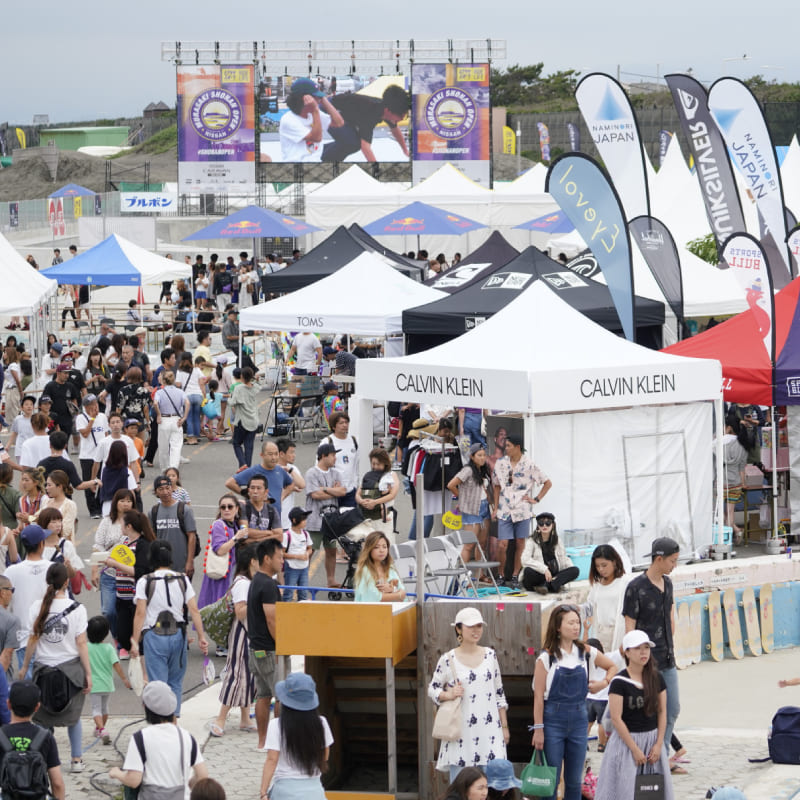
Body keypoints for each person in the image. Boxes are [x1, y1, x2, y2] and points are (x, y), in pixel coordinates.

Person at [532, 604, 616, 800]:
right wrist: (538, 729)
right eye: (571, 622)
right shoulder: (546, 658)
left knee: (574, 781)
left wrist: (603, 683)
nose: (576, 626)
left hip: (579, 719)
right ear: (558, 627)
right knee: (550, 781)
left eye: (577, 622)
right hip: (553, 721)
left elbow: (612, 666)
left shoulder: (586, 652)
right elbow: (538, 698)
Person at [22, 562, 92, 772]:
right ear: (67, 582)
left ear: (47, 582)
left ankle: (43, 760)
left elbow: (31, 641)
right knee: (74, 718)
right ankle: (76, 760)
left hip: (43, 670)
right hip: (71, 671)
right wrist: (88, 673)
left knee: (42, 719)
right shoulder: (78, 609)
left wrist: (25, 667)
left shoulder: (37, 607)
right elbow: (81, 643)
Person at [428, 607, 508, 781]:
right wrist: (449, 695)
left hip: (490, 734)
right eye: (471, 626)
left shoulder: (490, 655)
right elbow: (432, 689)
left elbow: (499, 693)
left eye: (479, 626)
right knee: (461, 788)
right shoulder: (448, 659)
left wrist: (505, 727)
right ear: (458, 628)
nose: (476, 630)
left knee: (491, 787)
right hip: (461, 734)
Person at [130, 540, 209, 716]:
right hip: (178, 636)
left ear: (152, 557)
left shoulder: (145, 581)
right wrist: (202, 637)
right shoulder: (182, 579)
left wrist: (135, 641)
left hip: (153, 636)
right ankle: (174, 719)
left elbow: (140, 613)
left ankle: (160, 721)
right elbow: (194, 610)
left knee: (158, 684)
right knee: (175, 682)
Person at [594, 630, 673, 800]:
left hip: (651, 742)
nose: (643, 652)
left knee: (652, 792)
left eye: (646, 647)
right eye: (637, 648)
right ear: (627, 652)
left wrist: (659, 744)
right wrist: (635, 749)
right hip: (626, 743)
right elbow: (616, 718)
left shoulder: (656, 678)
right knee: (624, 791)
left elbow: (662, 712)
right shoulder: (619, 682)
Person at [623, 536, 680, 761]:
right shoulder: (635, 587)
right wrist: (633, 659)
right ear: (659, 559)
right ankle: (645, 753)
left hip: (667, 657)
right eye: (672, 561)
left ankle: (661, 752)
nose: (674, 565)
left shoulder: (668, 584)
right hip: (645, 660)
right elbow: (630, 627)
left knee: (672, 708)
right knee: (647, 710)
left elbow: (669, 616)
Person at [109, 680, 207, 795]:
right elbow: (203, 776)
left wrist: (116, 773)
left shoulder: (140, 738)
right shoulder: (186, 737)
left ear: (145, 706)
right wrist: (188, 784)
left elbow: (133, 780)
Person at [259, 672, 334, 800]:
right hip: (315, 791)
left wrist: (263, 792)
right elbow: (325, 756)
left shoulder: (276, 725)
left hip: (284, 791)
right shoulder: (321, 723)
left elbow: (272, 760)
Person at [209, 545, 258, 738]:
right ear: (252, 562)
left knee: (249, 675)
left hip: (248, 633)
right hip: (241, 634)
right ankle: (220, 719)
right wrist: (257, 600)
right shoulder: (243, 584)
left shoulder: (248, 582)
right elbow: (240, 611)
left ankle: (245, 718)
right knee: (237, 675)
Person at [492, 434, 552, 588]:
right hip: (504, 509)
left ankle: (515, 575)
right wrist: (494, 507)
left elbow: (547, 482)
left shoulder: (529, 464)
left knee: (520, 543)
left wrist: (536, 499)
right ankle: (500, 574)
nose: (506, 449)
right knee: (502, 544)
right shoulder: (500, 463)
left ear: (517, 447)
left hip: (523, 510)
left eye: (508, 446)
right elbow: (496, 486)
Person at [247, 538, 285, 750]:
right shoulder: (269, 585)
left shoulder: (256, 581)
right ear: (267, 558)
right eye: (279, 557)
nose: (282, 561)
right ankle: (277, 742)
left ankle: (262, 742)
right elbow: (272, 619)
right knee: (279, 695)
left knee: (263, 695)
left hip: (255, 648)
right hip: (269, 650)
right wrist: (282, 645)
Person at [0, 680, 65, 800]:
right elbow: (57, 784)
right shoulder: (46, 737)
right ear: (37, 707)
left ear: (8, 704)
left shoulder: (1, 735)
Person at [91, 488, 136, 641]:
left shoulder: (136, 521)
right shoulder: (106, 521)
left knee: (129, 610)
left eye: (129, 501)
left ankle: (127, 640)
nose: (126, 504)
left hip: (129, 575)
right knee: (108, 611)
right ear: (115, 502)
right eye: (122, 500)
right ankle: (118, 637)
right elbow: (97, 545)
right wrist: (94, 570)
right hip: (109, 574)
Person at [323, 84, 410, 162]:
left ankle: (326, 152)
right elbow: (365, 148)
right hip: (327, 109)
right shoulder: (370, 113)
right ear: (388, 111)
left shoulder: (385, 107)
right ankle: (326, 157)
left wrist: (405, 150)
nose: (402, 119)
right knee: (352, 142)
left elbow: (395, 129)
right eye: (401, 116)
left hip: (342, 114)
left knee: (352, 140)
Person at [109, 509, 154, 659]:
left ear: (129, 526)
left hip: (135, 598)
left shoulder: (143, 545)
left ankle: (142, 667)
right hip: (122, 596)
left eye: (122, 524)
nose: (120, 527)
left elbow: (139, 571)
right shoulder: (124, 543)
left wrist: (116, 564)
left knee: (137, 635)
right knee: (123, 636)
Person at [304, 443, 346, 588]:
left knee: (331, 550)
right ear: (323, 456)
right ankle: (303, 580)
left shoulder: (337, 473)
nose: (335, 458)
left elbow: (342, 491)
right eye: (333, 455)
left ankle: (331, 580)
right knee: (310, 551)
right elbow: (315, 494)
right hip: (315, 519)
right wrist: (332, 490)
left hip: (332, 519)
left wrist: (325, 489)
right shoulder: (311, 473)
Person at [448, 444, 493, 578]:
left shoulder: (482, 470)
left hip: (484, 507)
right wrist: (463, 500)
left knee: (482, 544)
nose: (482, 458)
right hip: (472, 510)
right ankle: (462, 577)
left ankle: (479, 575)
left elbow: (483, 489)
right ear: (472, 457)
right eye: (479, 455)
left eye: (484, 455)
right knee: (469, 545)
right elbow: (451, 485)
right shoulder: (468, 470)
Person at [87, 614, 131, 744]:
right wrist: (124, 679)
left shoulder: (87, 648)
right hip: (107, 684)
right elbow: (116, 665)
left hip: (94, 685)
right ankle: (100, 729)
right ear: (106, 633)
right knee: (105, 709)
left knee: (96, 709)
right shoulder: (109, 648)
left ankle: (102, 729)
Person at [198, 494, 246, 611]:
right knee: (221, 607)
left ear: (236, 509)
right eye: (223, 507)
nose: (226, 510)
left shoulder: (234, 524)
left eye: (230, 507)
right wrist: (236, 538)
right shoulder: (219, 525)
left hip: (231, 571)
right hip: (222, 573)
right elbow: (220, 550)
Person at [278, 78, 346, 162]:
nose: (318, 99)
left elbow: (339, 123)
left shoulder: (311, 113)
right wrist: (315, 110)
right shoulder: (288, 120)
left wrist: (323, 99)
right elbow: (316, 138)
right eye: (316, 96)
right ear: (305, 98)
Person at [225, 440, 293, 521]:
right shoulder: (253, 471)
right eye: (270, 454)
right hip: (258, 519)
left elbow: (291, 484)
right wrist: (247, 495)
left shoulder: (280, 470)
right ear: (262, 455)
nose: (274, 457)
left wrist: (282, 496)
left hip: (276, 518)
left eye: (276, 454)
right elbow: (230, 483)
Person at [583, 545, 630, 652]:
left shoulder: (624, 582)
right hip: (601, 633)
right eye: (597, 566)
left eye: (604, 565)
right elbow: (589, 605)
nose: (601, 569)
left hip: (619, 631)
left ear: (614, 562)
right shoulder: (597, 585)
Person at [519, 512, 579, 595]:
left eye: (548, 523)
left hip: (553, 576)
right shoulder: (532, 541)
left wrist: (568, 572)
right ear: (538, 526)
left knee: (575, 570)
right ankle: (551, 586)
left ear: (553, 525)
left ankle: (547, 585)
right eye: (541, 523)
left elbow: (564, 559)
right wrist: (544, 569)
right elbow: (524, 560)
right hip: (539, 576)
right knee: (528, 571)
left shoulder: (557, 541)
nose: (544, 526)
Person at [149, 475, 198, 577]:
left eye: (168, 488)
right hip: (161, 566)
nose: (165, 492)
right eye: (161, 489)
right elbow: (151, 537)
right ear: (156, 492)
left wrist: (189, 562)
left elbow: (192, 536)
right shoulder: (153, 512)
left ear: (172, 489)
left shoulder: (184, 510)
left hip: (181, 565)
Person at [75, 394, 108, 519]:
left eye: (96, 404)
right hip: (87, 456)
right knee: (89, 482)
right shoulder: (81, 418)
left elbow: (105, 433)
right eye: (92, 405)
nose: (95, 407)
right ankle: (92, 509)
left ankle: (100, 506)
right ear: (86, 407)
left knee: (101, 481)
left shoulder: (103, 416)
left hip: (101, 455)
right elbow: (85, 433)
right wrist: (92, 419)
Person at [356, 447, 399, 535]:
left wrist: (375, 502)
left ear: (385, 463)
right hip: (367, 518)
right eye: (373, 463)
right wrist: (361, 501)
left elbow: (392, 495)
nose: (375, 466)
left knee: (384, 544)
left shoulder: (391, 475)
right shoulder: (368, 475)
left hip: (383, 519)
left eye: (378, 464)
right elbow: (358, 493)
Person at [354, 531, 406, 603]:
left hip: (392, 610)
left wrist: (392, 589)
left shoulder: (390, 568)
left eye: (384, 547)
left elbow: (402, 590)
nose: (381, 550)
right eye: (376, 547)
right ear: (369, 549)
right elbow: (373, 597)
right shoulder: (365, 570)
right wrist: (398, 595)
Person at [320, 412, 359, 507]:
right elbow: (319, 466)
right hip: (333, 491)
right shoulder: (327, 442)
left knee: (350, 519)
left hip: (350, 491)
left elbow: (356, 465)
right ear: (333, 426)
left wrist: (355, 485)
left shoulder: (354, 441)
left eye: (346, 422)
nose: (345, 425)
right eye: (341, 423)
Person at [154, 370, 190, 471]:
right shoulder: (180, 392)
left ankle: (165, 469)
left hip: (164, 419)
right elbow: (187, 403)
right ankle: (174, 469)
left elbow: (156, 403)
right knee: (176, 447)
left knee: (163, 447)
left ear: (163, 380)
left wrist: (159, 415)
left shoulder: (159, 392)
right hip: (176, 420)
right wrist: (184, 417)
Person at [722, 415, 749, 542]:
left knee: (717, 511)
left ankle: (729, 535)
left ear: (728, 428)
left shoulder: (719, 441)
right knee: (730, 511)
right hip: (736, 482)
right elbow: (742, 467)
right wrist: (743, 483)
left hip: (721, 481)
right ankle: (735, 532)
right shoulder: (742, 443)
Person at [228, 367, 260, 468]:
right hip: (253, 420)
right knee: (249, 445)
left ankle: (243, 464)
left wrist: (229, 398)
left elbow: (233, 402)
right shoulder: (254, 388)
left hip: (242, 420)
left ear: (241, 376)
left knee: (236, 443)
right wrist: (256, 380)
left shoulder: (239, 388)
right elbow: (259, 385)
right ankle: (248, 466)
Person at [98, 440, 137, 518]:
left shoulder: (105, 470)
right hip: (123, 506)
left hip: (107, 505)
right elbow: (131, 492)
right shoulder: (126, 471)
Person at [281, 507, 313, 602]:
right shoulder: (287, 535)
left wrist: (307, 554)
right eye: (303, 519)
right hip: (291, 568)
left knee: (303, 593)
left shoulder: (306, 534)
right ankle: (286, 614)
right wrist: (297, 556)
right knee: (288, 594)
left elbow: (310, 548)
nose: (305, 521)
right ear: (294, 520)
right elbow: (282, 553)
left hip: (304, 568)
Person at [41, 469, 80, 541]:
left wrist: (44, 532)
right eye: (46, 485)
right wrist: (28, 518)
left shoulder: (70, 505)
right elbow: (38, 518)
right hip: (45, 544)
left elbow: (66, 530)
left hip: (62, 546)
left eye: (49, 485)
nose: (46, 488)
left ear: (60, 486)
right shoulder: (45, 501)